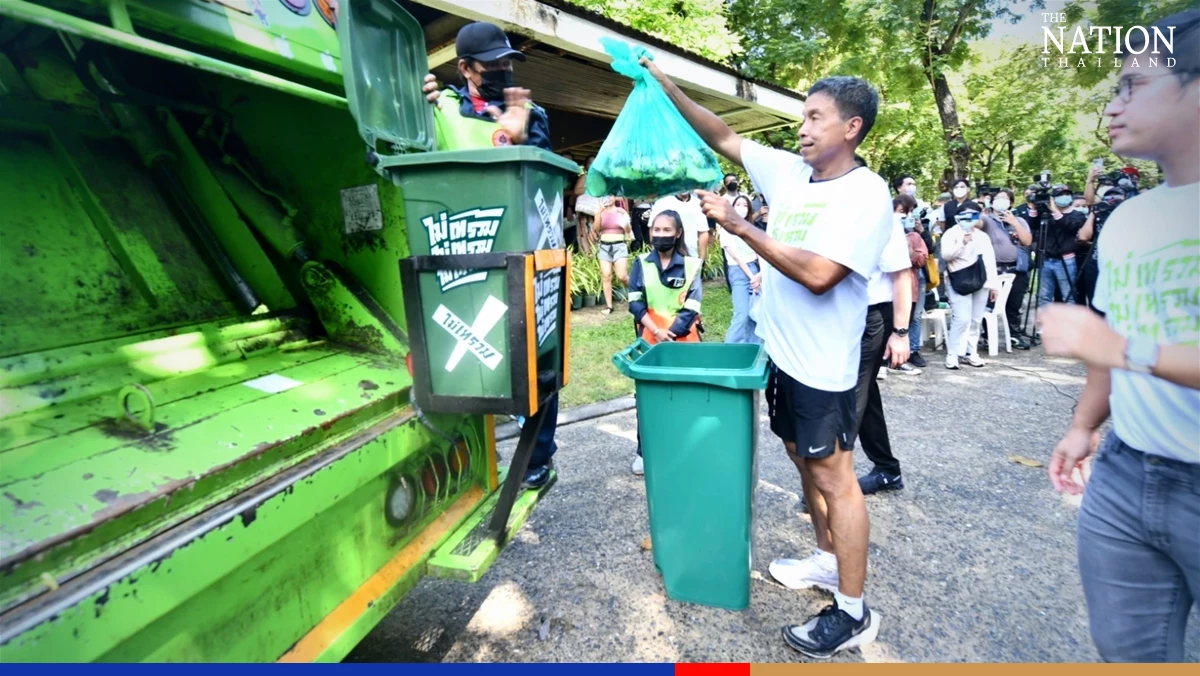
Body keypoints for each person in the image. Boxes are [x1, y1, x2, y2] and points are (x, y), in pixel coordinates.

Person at [643, 57, 892, 656]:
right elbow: (720, 133)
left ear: (851, 127)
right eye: (802, 116)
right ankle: (828, 561)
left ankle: (853, 612)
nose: (801, 128)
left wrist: (739, 226)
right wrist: (663, 83)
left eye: (815, 117)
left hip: (826, 364)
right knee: (803, 464)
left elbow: (820, 275)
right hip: (782, 354)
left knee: (836, 477)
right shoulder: (789, 173)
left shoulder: (866, 193)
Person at [1039, 9, 1200, 661]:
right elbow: (1115, 333)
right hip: (1125, 474)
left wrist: (1122, 350)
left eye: (1133, 85)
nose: (1112, 105)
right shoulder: (1128, 218)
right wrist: (1084, 426)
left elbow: (1118, 344)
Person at [420, 21, 561, 490]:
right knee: (462, 364)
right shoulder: (442, 110)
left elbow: (540, 176)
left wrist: (517, 131)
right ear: (465, 68)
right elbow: (421, 157)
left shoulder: (532, 113)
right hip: (459, 256)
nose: (504, 70)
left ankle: (536, 459)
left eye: (508, 63)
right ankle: (472, 462)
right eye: (494, 64)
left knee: (536, 365)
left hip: (522, 260)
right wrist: (414, 108)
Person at [626, 210, 703, 475]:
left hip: (684, 342)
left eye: (666, 230)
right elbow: (635, 303)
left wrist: (671, 333)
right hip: (649, 341)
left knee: (685, 396)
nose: (660, 235)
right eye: (656, 230)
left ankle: (686, 449)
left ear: (678, 233)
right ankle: (644, 453)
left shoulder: (692, 265)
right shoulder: (641, 264)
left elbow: (693, 305)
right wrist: (657, 331)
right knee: (648, 398)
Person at [940, 207, 999, 369]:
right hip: (959, 280)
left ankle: (970, 352)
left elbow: (989, 260)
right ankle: (952, 354)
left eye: (973, 215)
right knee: (961, 318)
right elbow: (946, 255)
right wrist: (962, 243)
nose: (969, 218)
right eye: (965, 215)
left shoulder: (982, 236)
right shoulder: (951, 233)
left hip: (981, 280)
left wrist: (994, 285)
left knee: (975, 319)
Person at [982, 189, 1033, 349]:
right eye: (998, 198)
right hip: (994, 270)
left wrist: (1015, 223)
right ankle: (988, 336)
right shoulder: (987, 220)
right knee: (989, 304)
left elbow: (1027, 241)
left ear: (1011, 202)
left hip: (1016, 269)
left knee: (1014, 304)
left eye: (1005, 198)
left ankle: (1014, 335)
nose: (1001, 201)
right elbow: (977, 223)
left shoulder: (1020, 220)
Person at [888, 194, 928, 373]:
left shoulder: (914, 236)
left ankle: (902, 358)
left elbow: (922, 258)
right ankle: (883, 361)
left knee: (909, 319)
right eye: (903, 211)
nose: (907, 215)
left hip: (910, 285)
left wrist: (910, 250)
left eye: (911, 211)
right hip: (886, 288)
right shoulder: (885, 230)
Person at [1075, 187, 1126, 311]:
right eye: (1109, 197)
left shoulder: (1129, 215)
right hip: (1095, 263)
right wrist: (1093, 214)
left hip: (1119, 263)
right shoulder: (1099, 214)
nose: (1112, 200)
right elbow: (1083, 237)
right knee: (1096, 304)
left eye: (1116, 197)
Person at [1037, 184, 1087, 308]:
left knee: (1068, 295)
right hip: (1046, 259)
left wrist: (1055, 211)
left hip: (1066, 260)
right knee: (1044, 296)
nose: (1064, 197)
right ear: (1053, 198)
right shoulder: (1046, 215)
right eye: (1060, 195)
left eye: (1067, 194)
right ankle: (1045, 326)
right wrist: (1034, 206)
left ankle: (1070, 326)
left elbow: (1070, 226)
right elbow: (1033, 227)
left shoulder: (1078, 215)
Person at [722, 195, 762, 345]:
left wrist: (760, 274)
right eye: (738, 204)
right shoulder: (726, 230)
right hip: (739, 272)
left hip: (755, 270)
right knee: (742, 314)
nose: (741, 207)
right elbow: (737, 257)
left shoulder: (751, 229)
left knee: (755, 314)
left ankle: (753, 348)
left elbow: (761, 253)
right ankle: (729, 350)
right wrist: (753, 277)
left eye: (745, 205)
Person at [593, 199, 633, 315]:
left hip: (619, 245)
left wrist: (625, 222)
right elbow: (596, 228)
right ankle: (609, 306)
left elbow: (628, 230)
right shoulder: (600, 211)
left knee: (622, 276)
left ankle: (636, 292)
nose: (608, 198)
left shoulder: (621, 211)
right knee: (606, 276)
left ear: (615, 198)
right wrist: (599, 212)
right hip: (604, 246)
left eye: (611, 195)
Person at [648, 192, 709, 264]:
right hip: (666, 256)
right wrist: (654, 253)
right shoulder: (662, 203)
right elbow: (652, 228)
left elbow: (703, 231)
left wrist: (702, 258)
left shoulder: (698, 204)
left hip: (691, 256)